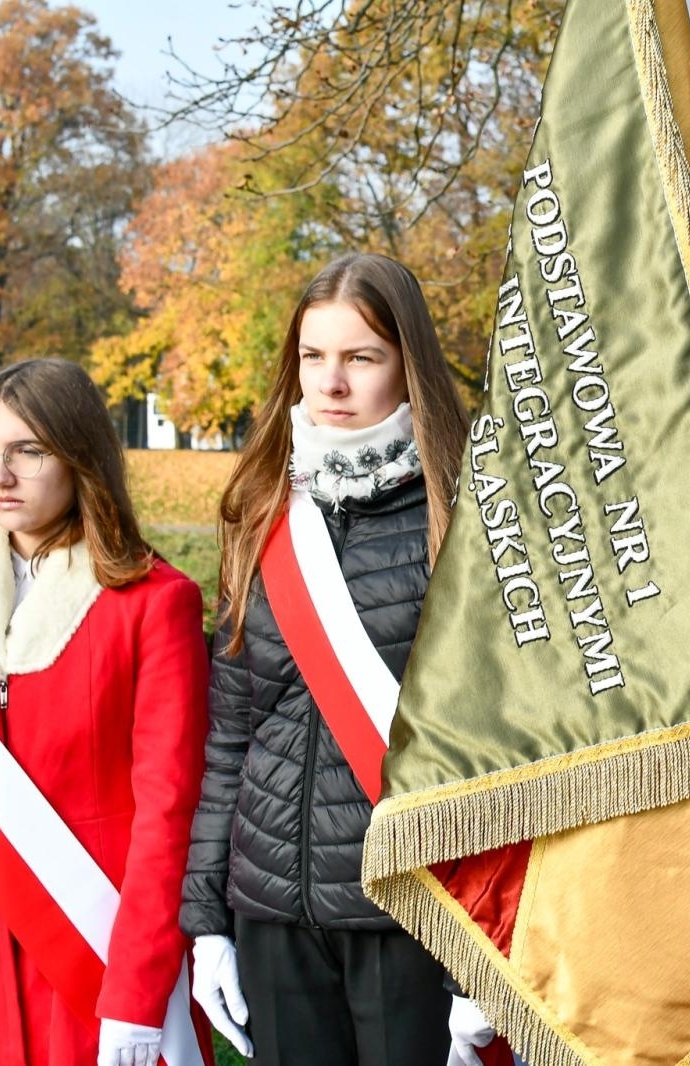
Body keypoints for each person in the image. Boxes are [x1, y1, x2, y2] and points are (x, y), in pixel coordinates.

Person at [181, 253, 470, 1066]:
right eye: (314, 357)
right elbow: (230, 737)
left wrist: (490, 953)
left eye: (361, 358)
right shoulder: (261, 506)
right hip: (271, 914)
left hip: (409, 915)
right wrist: (207, 923)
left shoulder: (468, 516)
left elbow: (514, 747)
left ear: (407, 363)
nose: (331, 383)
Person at [0, 359, 211, 1066]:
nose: (1, 476)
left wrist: (136, 995)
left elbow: (168, 816)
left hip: (94, 951)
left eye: (29, 451)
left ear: (81, 456)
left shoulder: (153, 602)